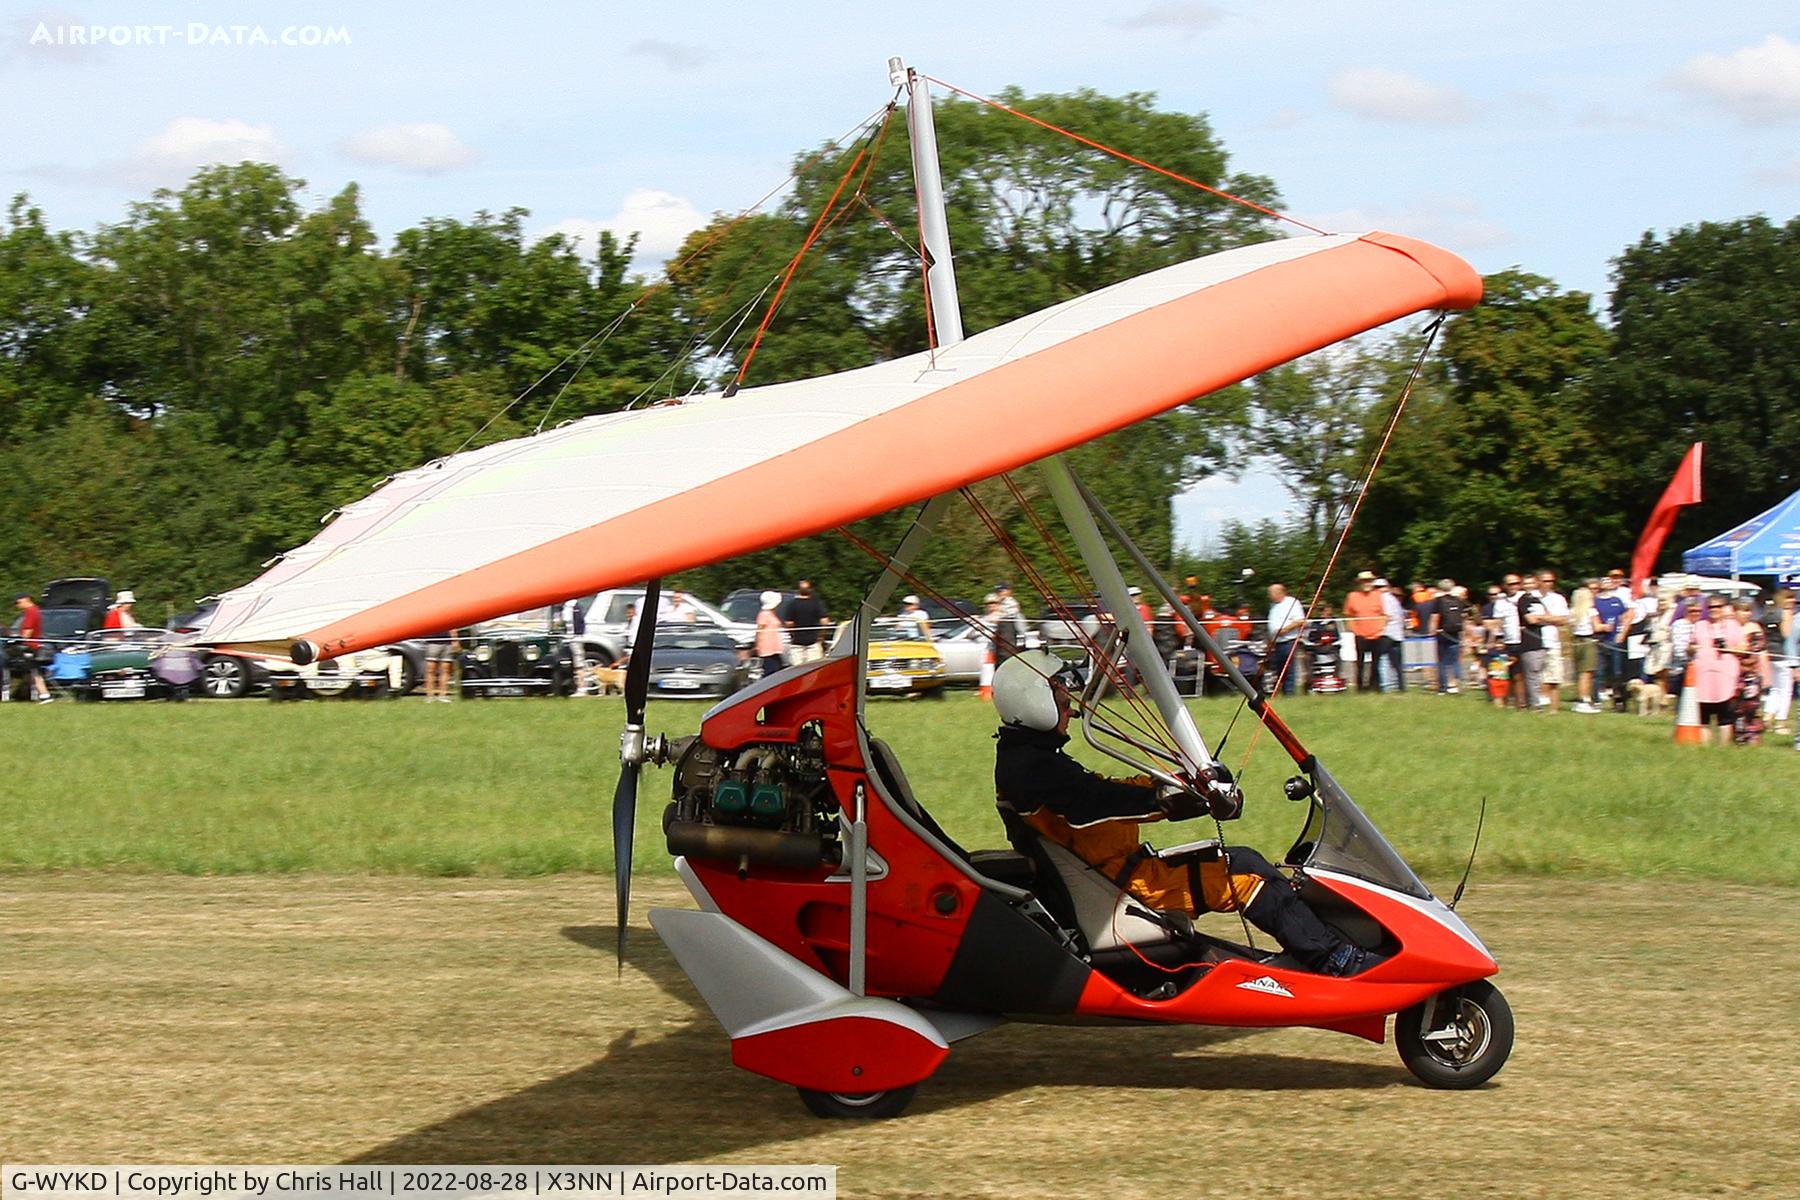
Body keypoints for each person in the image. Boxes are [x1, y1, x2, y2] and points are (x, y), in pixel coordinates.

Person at [991, 651, 1378, 976]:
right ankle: (1335, 961)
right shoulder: (1031, 769)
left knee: (1244, 859)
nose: (1070, 708)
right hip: (1121, 888)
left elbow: (1103, 790)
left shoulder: (1031, 759)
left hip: (1117, 874)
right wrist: (1168, 800)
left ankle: (1327, 944)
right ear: (1033, 701)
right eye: (1061, 699)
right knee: (1245, 878)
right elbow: (1095, 803)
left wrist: (1177, 783)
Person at [1689, 597, 1744, 747]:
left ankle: (1723, 747)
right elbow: (1690, 647)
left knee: (1724, 713)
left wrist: (1727, 647)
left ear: (1723, 607)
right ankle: (1705, 748)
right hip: (1703, 676)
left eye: (1718, 606)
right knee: (1703, 715)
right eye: (1711, 607)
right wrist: (1692, 648)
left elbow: (1743, 648)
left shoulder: (1733, 625)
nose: (1714, 609)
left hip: (1725, 677)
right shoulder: (1700, 625)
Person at [1342, 571, 1385, 692]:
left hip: (1377, 635)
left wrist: (1381, 628)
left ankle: (1375, 687)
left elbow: (1384, 614)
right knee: (1359, 664)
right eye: (1364, 581)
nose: (1367, 583)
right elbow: (1348, 615)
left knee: (1375, 664)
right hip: (1360, 634)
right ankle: (1360, 688)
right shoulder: (1352, 596)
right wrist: (1353, 630)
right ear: (1359, 583)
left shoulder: (1378, 595)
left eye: (1369, 581)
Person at [1534, 571, 1570, 711]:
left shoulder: (1558, 599)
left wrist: (1542, 618)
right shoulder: (1530, 597)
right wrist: (1550, 618)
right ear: (1538, 581)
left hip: (1552, 642)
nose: (1548, 584)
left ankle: (1554, 709)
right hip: (1535, 642)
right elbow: (1530, 619)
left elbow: (1563, 619)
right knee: (1536, 676)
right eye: (1545, 581)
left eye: (1551, 581)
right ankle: (1538, 705)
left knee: (1554, 676)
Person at [1264, 583, 1306, 695]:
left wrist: (1284, 630)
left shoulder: (1292, 603)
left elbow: (1300, 620)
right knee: (1279, 669)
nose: (1269, 596)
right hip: (1277, 643)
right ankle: (1281, 692)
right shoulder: (1272, 605)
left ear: (1279, 593)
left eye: (1270, 593)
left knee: (1288, 670)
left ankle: (1289, 693)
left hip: (1288, 641)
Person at [1429, 578, 1466, 694]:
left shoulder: (1438, 601)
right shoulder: (1459, 600)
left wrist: (1432, 632)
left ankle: (1443, 687)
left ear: (1440, 588)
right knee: (1455, 661)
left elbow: (1435, 618)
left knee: (1442, 661)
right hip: (1455, 633)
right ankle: (1456, 685)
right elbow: (1463, 618)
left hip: (1442, 633)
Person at [1569, 579, 1600, 713]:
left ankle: (1580, 699)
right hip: (1588, 642)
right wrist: (1607, 626)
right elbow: (1597, 627)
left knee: (1580, 672)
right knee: (1587, 673)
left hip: (1576, 641)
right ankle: (1584, 700)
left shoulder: (1572, 612)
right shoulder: (1591, 611)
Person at [783, 580, 829, 665]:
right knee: (813, 668)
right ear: (811, 589)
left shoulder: (792, 604)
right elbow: (824, 621)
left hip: (797, 642)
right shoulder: (816, 603)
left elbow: (789, 624)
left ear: (798, 590)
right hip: (813, 641)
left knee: (796, 670)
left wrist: (793, 634)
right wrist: (821, 636)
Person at [15, 593, 49, 703]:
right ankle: (43, 695)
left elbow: (28, 630)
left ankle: (44, 695)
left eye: (18, 602)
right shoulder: (36, 610)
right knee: (34, 672)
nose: (17, 605)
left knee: (34, 671)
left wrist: (20, 640)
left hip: (31, 646)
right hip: (33, 645)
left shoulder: (31, 612)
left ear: (26, 599)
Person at [1377, 578, 1406, 692]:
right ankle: (1401, 686)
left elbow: (1387, 617)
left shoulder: (1383, 599)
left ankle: (1386, 686)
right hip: (1398, 634)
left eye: (1379, 587)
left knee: (1383, 660)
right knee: (1397, 664)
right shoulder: (1394, 599)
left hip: (1387, 633)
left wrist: (1378, 628)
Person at [421, 628, 460, 702]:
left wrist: (455, 640)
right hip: (432, 641)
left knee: (445, 670)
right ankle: (430, 695)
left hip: (447, 642)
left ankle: (443, 695)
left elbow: (453, 626)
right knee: (430, 670)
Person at [754, 590, 785, 678]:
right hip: (767, 647)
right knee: (771, 671)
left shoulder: (771, 613)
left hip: (774, 646)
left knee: (778, 668)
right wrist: (757, 645)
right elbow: (759, 629)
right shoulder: (764, 614)